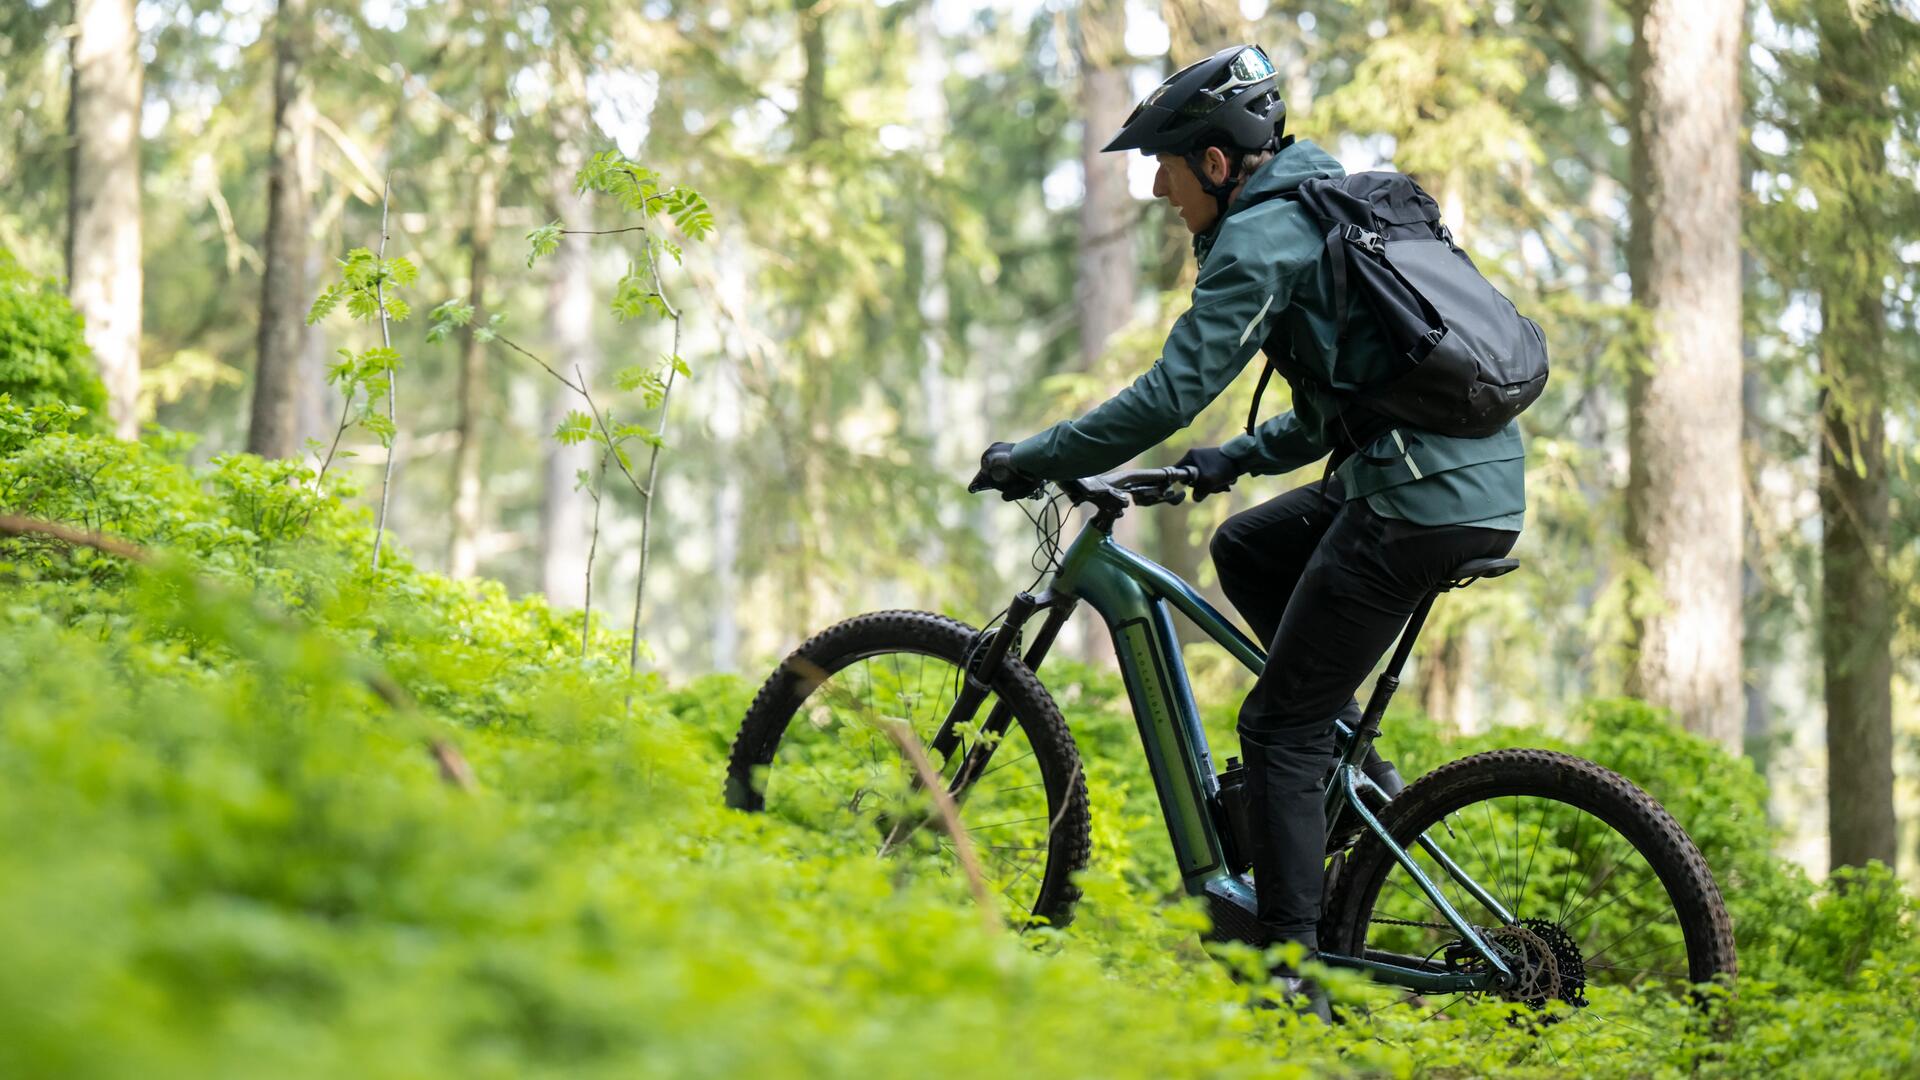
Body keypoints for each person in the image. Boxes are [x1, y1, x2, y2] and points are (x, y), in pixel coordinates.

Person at [968, 44, 1525, 999]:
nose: (1155, 191)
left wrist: (1043, 455)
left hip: (1411, 498)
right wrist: (1237, 459)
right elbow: (1341, 400)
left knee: (1277, 727)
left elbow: (1169, 394)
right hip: (1459, 480)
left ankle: (1287, 970)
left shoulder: (1262, 238)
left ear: (1218, 165)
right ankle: (1360, 786)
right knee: (1248, 546)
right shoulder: (1325, 209)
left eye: (1167, 167)